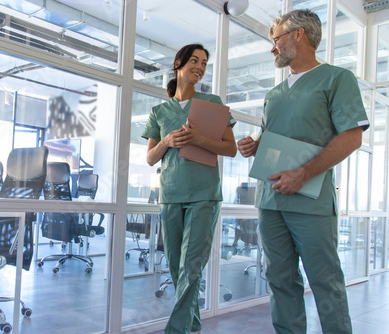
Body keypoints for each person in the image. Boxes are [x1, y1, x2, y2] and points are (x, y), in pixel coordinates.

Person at [237, 9, 369, 334]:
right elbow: (273, 136)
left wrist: (304, 173)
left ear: (299, 35)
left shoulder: (337, 79)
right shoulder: (274, 95)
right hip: (270, 201)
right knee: (280, 281)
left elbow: (352, 136)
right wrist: (255, 145)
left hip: (311, 201)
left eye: (276, 40)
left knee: (326, 283)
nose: (272, 48)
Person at [142, 43, 237, 334]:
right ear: (178, 64)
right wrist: (166, 142)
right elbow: (149, 158)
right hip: (170, 195)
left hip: (204, 195)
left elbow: (230, 148)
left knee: (191, 266)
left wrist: (198, 139)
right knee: (175, 265)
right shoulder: (159, 112)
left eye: (204, 63)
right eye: (195, 60)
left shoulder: (213, 103)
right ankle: (193, 324)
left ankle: (176, 329)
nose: (200, 66)